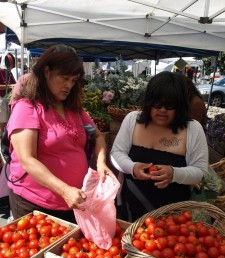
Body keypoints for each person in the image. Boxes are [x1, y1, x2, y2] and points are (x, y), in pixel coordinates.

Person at [6, 44, 116, 223]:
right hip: (35, 203)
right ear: (46, 72)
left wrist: (101, 162)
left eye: (73, 81)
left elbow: (98, 136)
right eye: (64, 78)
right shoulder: (27, 107)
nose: (69, 86)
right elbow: (28, 160)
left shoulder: (73, 109)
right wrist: (64, 190)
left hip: (72, 201)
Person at [110, 71, 208, 222]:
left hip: (174, 218)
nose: (162, 110)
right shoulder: (132, 120)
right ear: (149, 102)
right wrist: (133, 167)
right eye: (157, 103)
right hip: (131, 206)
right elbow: (116, 153)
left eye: (170, 105)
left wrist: (174, 173)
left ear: (180, 106)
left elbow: (200, 171)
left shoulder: (193, 129)